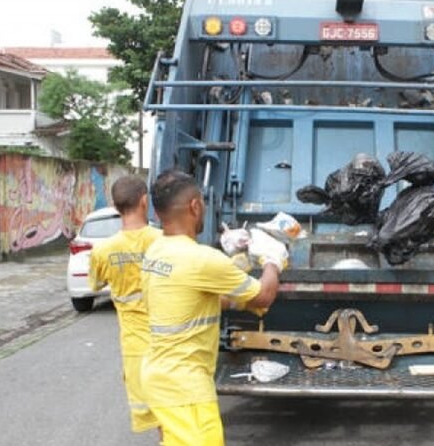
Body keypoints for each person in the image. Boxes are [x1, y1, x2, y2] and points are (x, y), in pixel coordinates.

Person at [141, 170, 286, 446]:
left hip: (159, 377)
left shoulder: (155, 250)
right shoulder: (201, 259)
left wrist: (234, 281)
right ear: (195, 205)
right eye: (203, 203)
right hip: (186, 388)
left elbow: (192, 297)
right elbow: (265, 296)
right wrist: (272, 259)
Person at [88, 175, 162, 435]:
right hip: (168, 340)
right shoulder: (163, 241)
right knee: (173, 415)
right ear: (144, 201)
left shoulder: (103, 250)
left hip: (134, 347)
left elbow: (95, 285)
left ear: (116, 206)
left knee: (153, 414)